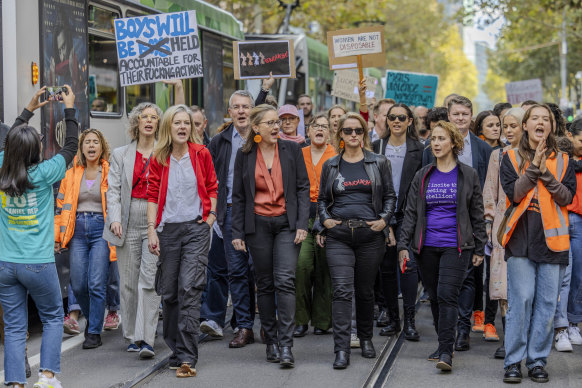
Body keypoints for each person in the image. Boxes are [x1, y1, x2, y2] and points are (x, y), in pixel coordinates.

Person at [0, 85, 77, 388]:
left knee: (16, 327)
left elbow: (10, 142)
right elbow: (71, 147)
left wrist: (29, 109)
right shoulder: (44, 173)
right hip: (38, 263)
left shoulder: (2, 170)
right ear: (36, 152)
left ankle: (16, 383)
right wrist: (69, 109)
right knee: (53, 318)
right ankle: (46, 376)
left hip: (6, 264)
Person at [399, 120, 486, 371]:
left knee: (448, 295)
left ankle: (447, 352)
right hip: (426, 247)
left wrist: (479, 248)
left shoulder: (468, 174)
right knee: (435, 297)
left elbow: (476, 213)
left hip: (456, 246)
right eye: (433, 139)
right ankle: (442, 343)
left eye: (441, 139)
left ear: (453, 143)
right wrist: (404, 245)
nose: (435, 143)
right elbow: (411, 213)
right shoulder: (423, 174)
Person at [500, 104, 576, 384]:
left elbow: (567, 198)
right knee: (521, 300)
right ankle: (513, 362)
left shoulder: (566, 160)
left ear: (552, 127)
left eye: (546, 119)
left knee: (546, 303)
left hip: (554, 242)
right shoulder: (507, 156)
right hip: (520, 239)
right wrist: (534, 167)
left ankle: (537, 361)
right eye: (535, 119)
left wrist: (545, 172)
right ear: (525, 126)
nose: (541, 122)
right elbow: (516, 194)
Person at [232, 104, 310, 367]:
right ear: (256, 128)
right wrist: (237, 232)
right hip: (258, 226)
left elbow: (302, 188)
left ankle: (287, 346)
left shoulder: (291, 150)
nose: (277, 127)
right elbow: (239, 196)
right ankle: (272, 342)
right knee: (264, 284)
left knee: (285, 280)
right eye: (270, 123)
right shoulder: (244, 155)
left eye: (278, 122)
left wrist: (302, 224)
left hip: (287, 225)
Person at [317, 112, 396, 369]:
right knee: (341, 291)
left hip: (370, 236)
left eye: (358, 131)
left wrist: (384, 220)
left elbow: (390, 196)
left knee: (364, 291)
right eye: (348, 131)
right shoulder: (331, 165)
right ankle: (341, 349)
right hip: (338, 236)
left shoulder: (379, 162)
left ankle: (365, 338)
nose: (353, 135)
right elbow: (321, 199)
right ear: (340, 134)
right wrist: (325, 219)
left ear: (364, 133)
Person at [146, 104, 218, 378]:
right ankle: (176, 349)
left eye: (186, 123)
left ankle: (188, 355)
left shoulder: (201, 154)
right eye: (177, 122)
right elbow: (152, 196)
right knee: (170, 292)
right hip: (168, 231)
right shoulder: (158, 158)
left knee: (190, 287)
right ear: (168, 127)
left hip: (196, 229)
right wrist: (152, 230)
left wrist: (210, 218)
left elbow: (213, 187)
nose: (182, 127)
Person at [423, 96, 492, 351]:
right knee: (441, 284)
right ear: (448, 116)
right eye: (456, 114)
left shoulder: (484, 149)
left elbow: (486, 187)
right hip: (435, 231)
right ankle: (447, 332)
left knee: (469, 279)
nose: (460, 118)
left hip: (469, 224)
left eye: (465, 114)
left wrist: (481, 229)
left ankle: (462, 330)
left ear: (471, 116)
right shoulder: (429, 150)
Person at [103, 102, 164, 359]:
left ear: (159, 124)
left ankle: (146, 337)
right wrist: (114, 218)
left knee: (148, 281)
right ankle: (131, 335)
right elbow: (113, 190)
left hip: (155, 220)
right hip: (126, 219)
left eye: (153, 117)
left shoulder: (165, 152)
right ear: (136, 123)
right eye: (144, 117)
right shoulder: (120, 154)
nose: (148, 121)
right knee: (128, 283)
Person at [201, 90, 257, 348]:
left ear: (252, 110)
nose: (242, 111)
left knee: (259, 271)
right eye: (237, 107)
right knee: (236, 271)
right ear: (230, 112)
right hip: (231, 211)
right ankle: (244, 327)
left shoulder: (262, 138)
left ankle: (265, 324)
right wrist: (215, 212)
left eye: (246, 106)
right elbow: (210, 180)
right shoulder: (219, 140)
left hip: (260, 211)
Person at [54, 129, 115, 349]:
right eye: (87, 142)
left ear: (102, 147)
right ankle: (93, 317)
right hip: (77, 230)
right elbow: (61, 207)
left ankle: (94, 331)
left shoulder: (109, 171)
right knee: (78, 284)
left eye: (95, 142)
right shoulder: (71, 174)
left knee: (96, 283)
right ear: (81, 147)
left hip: (101, 230)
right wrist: (58, 236)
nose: (91, 146)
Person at [373, 103, 423, 341]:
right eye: (392, 117)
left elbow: (420, 188)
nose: (396, 121)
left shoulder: (419, 150)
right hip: (381, 217)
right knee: (386, 270)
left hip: (407, 216)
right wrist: (385, 220)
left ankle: (410, 321)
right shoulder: (375, 148)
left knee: (408, 267)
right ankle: (393, 319)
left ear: (410, 121)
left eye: (401, 117)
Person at [482, 107, 525, 358]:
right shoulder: (497, 156)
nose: (508, 131)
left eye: (513, 126)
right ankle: (509, 340)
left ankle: (523, 338)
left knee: (523, 285)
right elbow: (490, 190)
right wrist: (489, 224)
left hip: (528, 226)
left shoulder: (536, 155)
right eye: (504, 126)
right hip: (502, 226)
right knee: (502, 286)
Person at [293, 114, 336, 338]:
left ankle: (322, 320)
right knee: (302, 267)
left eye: (324, 127)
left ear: (330, 133)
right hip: (303, 219)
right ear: (308, 131)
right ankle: (300, 319)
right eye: (316, 126)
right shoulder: (298, 154)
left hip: (328, 219)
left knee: (324, 270)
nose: (320, 129)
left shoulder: (337, 157)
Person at [553, 118, 582, 352]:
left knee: (578, 277)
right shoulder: (559, 157)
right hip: (561, 220)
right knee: (563, 276)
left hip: (580, 222)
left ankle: (574, 323)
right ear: (571, 136)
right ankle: (560, 328)